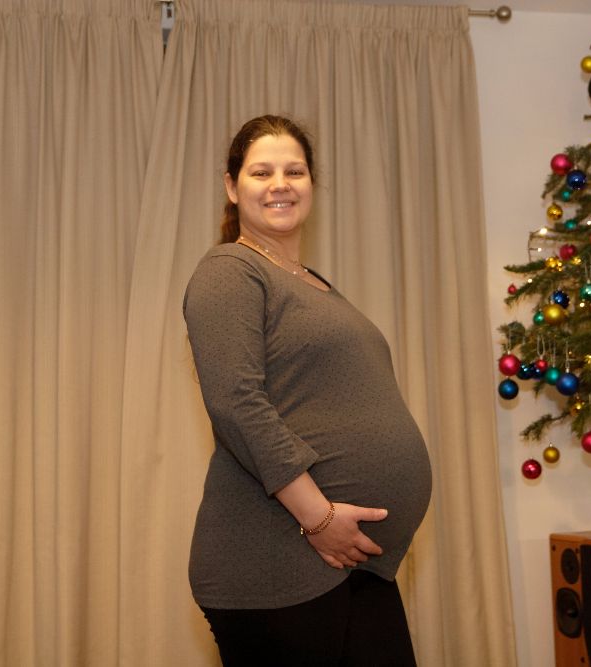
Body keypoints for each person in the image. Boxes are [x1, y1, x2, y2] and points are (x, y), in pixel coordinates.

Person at [183, 115, 432, 666]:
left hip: (348, 564)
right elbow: (237, 404)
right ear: (232, 187)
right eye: (261, 172)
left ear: (312, 183)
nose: (280, 184)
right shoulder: (229, 270)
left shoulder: (312, 282)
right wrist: (318, 519)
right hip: (278, 563)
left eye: (294, 171)